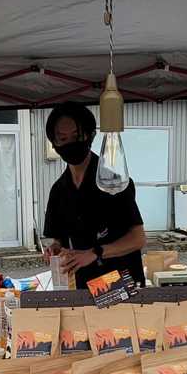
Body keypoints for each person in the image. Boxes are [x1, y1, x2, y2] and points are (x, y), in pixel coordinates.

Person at [42, 102, 146, 291]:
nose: (70, 143)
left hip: (122, 281)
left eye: (76, 136)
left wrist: (95, 253)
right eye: (62, 138)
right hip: (87, 284)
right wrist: (53, 249)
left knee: (114, 311)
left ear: (90, 135)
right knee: (87, 310)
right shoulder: (59, 191)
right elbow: (55, 238)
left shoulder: (114, 182)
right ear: (54, 143)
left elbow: (138, 238)